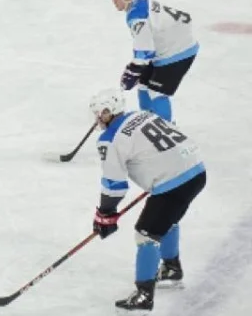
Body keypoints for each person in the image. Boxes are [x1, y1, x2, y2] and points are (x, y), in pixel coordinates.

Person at [88, 88, 206, 312]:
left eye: (99, 114)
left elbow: (114, 185)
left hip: (174, 182)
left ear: (108, 112)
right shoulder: (141, 115)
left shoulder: (110, 139)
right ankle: (171, 268)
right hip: (197, 170)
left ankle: (144, 296)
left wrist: (104, 214)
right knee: (166, 218)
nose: (97, 119)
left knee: (146, 234)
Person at [110, 0, 198, 122]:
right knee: (143, 85)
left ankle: (165, 128)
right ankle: (147, 124)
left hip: (178, 52)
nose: (114, 0)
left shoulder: (137, 16)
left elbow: (145, 51)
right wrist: (135, 70)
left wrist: (133, 71)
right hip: (166, 48)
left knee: (156, 91)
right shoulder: (140, 3)